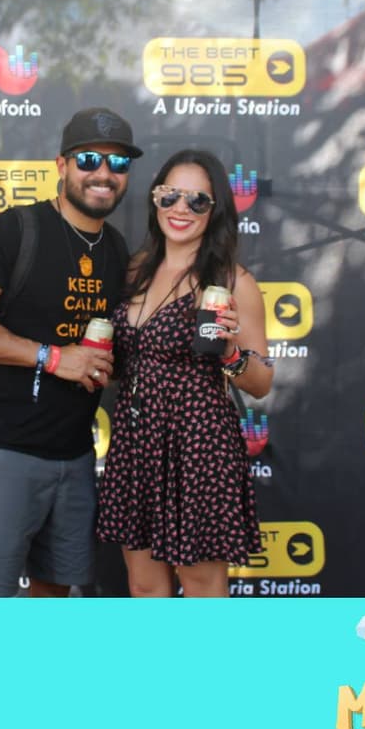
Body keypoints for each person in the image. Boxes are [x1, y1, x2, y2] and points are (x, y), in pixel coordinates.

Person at [0, 107, 143, 597]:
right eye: (89, 159)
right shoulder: (16, 229)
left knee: (54, 594)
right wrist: (53, 357)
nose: (103, 173)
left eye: (118, 163)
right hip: (3, 450)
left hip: (75, 455)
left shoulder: (115, 249)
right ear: (62, 165)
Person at [96, 148, 274, 597]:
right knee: (144, 587)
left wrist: (230, 352)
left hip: (200, 445)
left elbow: (262, 383)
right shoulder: (134, 270)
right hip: (136, 442)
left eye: (197, 200)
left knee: (201, 586)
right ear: (155, 199)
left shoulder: (233, 282)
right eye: (170, 195)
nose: (181, 208)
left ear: (215, 211)